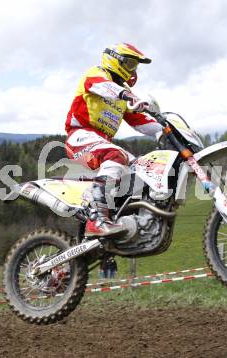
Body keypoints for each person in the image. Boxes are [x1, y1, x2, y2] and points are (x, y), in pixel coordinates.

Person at [65, 43, 162, 238]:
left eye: (135, 66)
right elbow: (104, 86)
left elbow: (141, 122)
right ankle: (97, 218)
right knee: (115, 155)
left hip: (101, 141)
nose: (132, 70)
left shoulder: (121, 92)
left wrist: (165, 130)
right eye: (129, 63)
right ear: (114, 59)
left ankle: (123, 216)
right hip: (80, 135)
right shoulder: (97, 75)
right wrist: (128, 95)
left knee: (143, 167)